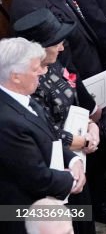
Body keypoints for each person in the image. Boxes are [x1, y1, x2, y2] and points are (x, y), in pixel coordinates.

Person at [0, 37, 87, 234]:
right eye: (34, 69)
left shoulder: (23, 97)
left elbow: (51, 137)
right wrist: (72, 180)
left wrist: (73, 161)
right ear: (15, 76)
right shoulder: (6, 120)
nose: (42, 71)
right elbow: (36, 177)